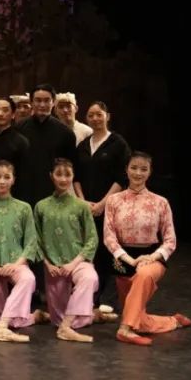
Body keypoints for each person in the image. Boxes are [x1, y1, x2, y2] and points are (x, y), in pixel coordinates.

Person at [103, 152, 191, 345]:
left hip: (151, 258)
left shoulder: (160, 202)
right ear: (126, 170)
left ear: (150, 172)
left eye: (143, 169)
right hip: (123, 261)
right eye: (134, 168)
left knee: (143, 274)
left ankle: (124, 330)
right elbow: (109, 237)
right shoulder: (113, 200)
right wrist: (129, 259)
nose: (138, 173)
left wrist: (152, 257)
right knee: (138, 319)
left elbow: (170, 240)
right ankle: (173, 321)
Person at [34, 159, 114, 343]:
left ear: (73, 176)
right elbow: (36, 240)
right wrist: (48, 264)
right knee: (59, 318)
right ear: (51, 176)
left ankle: (65, 328)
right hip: (54, 267)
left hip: (77, 262)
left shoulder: (81, 206)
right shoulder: (41, 206)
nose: (63, 179)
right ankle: (91, 316)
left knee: (89, 278)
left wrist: (74, 263)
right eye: (59, 174)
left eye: (67, 174)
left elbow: (92, 238)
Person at [0, 161, 46, 343]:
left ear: (14, 180)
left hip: (17, 263)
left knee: (28, 279)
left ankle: (1, 329)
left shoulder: (24, 208)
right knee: (8, 320)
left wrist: (16, 265)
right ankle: (33, 317)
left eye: (7, 177)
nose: (2, 181)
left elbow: (31, 241)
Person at [73, 100, 131, 309]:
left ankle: (109, 299)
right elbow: (76, 177)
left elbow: (122, 177)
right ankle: (92, 295)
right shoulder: (82, 145)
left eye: (99, 114)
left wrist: (102, 203)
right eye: (91, 115)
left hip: (111, 206)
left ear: (108, 116)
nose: (95, 118)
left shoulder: (118, 143)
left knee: (110, 250)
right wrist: (82, 201)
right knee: (92, 250)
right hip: (87, 208)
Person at [16, 84, 77, 207]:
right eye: (38, 100)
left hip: (55, 196)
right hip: (23, 195)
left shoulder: (66, 133)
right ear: (31, 103)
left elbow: (70, 168)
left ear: (53, 102)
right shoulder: (18, 129)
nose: (42, 105)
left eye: (46, 100)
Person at [0, 97, 29, 198]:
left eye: (5, 110)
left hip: (14, 196)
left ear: (13, 115)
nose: (0, 114)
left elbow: (25, 177)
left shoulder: (21, 142)